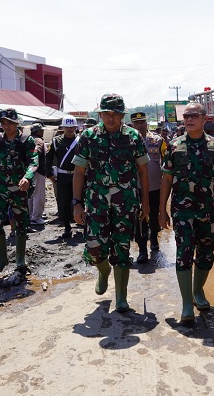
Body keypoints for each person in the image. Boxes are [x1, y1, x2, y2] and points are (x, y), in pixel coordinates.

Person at [159, 102, 214, 324]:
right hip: (182, 211)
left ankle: (197, 291)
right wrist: (161, 210)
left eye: (193, 115)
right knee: (183, 253)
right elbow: (166, 179)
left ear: (205, 118)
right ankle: (186, 304)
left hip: (210, 211)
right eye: (185, 116)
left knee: (206, 253)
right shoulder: (174, 146)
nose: (188, 119)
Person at [72, 94, 149, 313]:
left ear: (122, 115)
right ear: (100, 114)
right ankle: (103, 271)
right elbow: (79, 172)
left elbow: (143, 171)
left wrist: (146, 203)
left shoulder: (133, 136)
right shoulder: (88, 136)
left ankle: (121, 297)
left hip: (126, 203)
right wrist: (77, 203)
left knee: (122, 248)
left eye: (115, 114)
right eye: (106, 113)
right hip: (96, 202)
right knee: (95, 248)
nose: (111, 118)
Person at [0, 108, 38, 275]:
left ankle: (20, 259)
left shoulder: (27, 141)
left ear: (16, 123)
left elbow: (33, 162)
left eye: (10, 123)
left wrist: (27, 177)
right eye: (3, 123)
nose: (6, 126)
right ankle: (2, 259)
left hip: (19, 189)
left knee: (21, 224)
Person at [130, 111, 167, 263]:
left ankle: (154, 238)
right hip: (136, 187)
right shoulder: (128, 141)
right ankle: (143, 249)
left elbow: (166, 162)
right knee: (139, 219)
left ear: (146, 123)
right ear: (132, 124)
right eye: (137, 123)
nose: (140, 125)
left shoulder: (158, 140)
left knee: (154, 216)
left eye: (142, 122)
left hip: (155, 186)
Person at [46, 114, 79, 238]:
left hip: (79, 176)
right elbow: (48, 158)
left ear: (76, 127)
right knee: (63, 203)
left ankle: (83, 224)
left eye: (72, 127)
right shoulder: (56, 141)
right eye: (67, 127)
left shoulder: (81, 141)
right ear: (63, 127)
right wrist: (49, 174)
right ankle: (67, 227)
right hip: (62, 176)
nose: (70, 130)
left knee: (81, 201)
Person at [29, 123, 48, 225]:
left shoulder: (28, 139)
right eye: (41, 130)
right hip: (38, 171)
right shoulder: (38, 141)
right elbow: (36, 152)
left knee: (31, 196)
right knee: (39, 196)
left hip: (30, 171)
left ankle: (31, 215)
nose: (43, 132)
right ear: (37, 131)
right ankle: (36, 218)